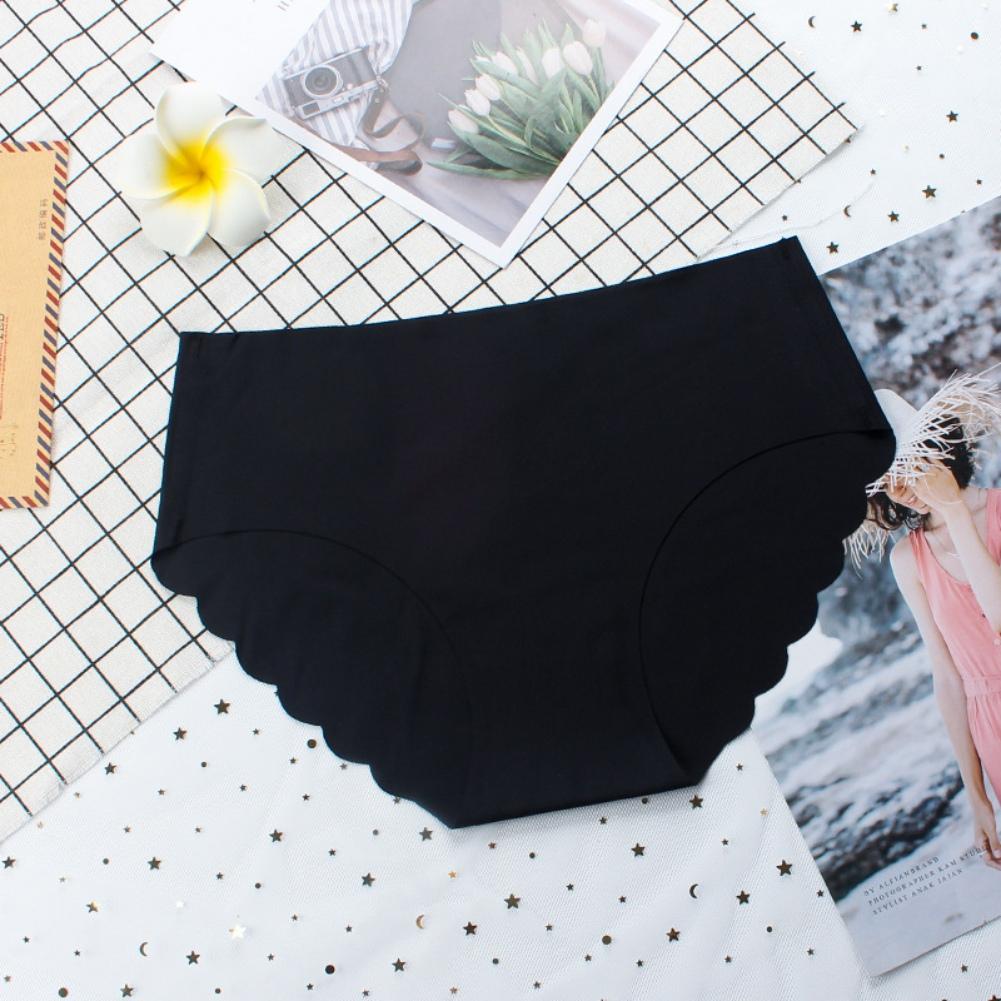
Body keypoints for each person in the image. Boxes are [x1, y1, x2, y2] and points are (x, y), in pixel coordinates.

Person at [847, 371, 1001, 869]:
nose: (900, 488)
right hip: (992, 727)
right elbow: (948, 677)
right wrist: (976, 795)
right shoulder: (908, 561)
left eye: (906, 466)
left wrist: (953, 512)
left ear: (936, 448)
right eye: (886, 480)